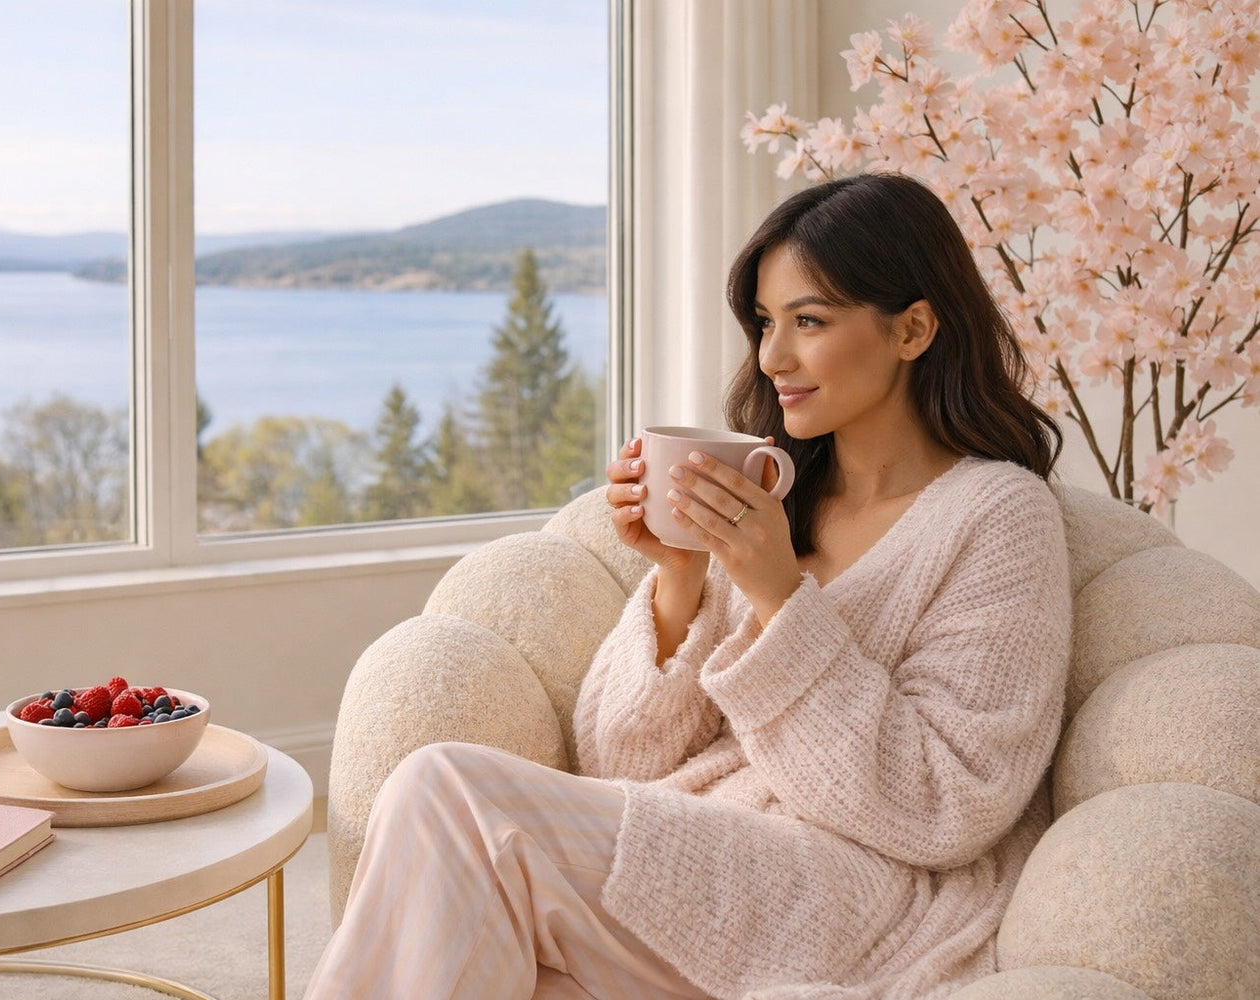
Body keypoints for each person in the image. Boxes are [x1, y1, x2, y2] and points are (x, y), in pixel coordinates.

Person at [305, 173, 1072, 1000]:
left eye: (809, 321)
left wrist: (780, 598)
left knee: (447, 787)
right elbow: (620, 761)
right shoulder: (776, 495)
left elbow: (946, 803)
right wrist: (682, 575)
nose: (773, 358)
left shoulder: (999, 516)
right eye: (767, 324)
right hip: (717, 853)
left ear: (914, 328)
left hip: (857, 893)